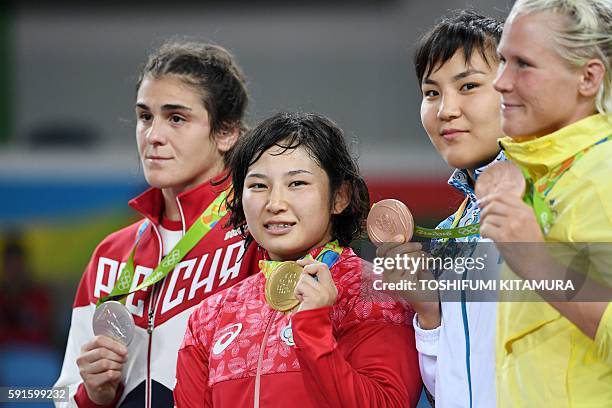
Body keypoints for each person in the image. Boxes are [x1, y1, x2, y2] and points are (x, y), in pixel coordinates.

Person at [55, 41, 261, 407]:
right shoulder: (111, 255)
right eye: (145, 116)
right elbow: (64, 395)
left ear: (227, 132)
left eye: (176, 118)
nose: (153, 136)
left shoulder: (256, 238)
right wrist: (94, 394)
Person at [174, 112, 422, 407]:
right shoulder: (211, 317)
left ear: (339, 196)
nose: (275, 204)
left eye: (297, 184)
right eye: (258, 186)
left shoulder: (376, 294)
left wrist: (313, 327)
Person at [478, 0, 612, 405]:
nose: (500, 81)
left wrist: (537, 261)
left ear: (588, 78)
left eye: (523, 64)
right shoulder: (557, 175)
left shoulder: (603, 178)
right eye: (502, 60)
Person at [377, 10, 505, 407]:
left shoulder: (556, 197)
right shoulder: (454, 228)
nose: (445, 110)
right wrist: (429, 314)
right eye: (431, 93)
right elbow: (450, 386)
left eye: (468, 86)